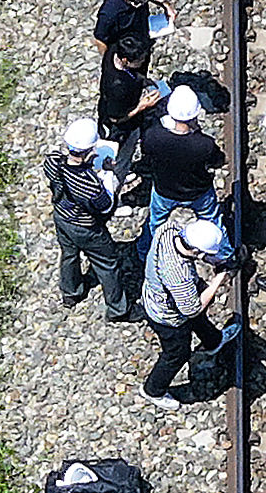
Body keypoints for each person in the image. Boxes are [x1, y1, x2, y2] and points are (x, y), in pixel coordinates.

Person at [139, 214, 237, 403]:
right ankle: (153, 390)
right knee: (177, 354)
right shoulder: (179, 275)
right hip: (167, 316)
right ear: (196, 251)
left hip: (153, 293)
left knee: (199, 322)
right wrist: (219, 278)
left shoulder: (168, 230)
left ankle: (214, 342)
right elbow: (192, 309)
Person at [44, 117, 134, 320]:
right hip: (86, 227)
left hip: (62, 216)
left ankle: (71, 293)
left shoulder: (52, 161)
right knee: (108, 263)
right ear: (89, 151)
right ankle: (118, 310)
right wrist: (108, 175)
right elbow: (105, 206)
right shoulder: (90, 184)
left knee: (69, 255)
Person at [124, 84, 226, 231]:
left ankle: (147, 251)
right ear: (196, 115)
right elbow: (220, 161)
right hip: (198, 192)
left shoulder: (153, 136)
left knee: (155, 224)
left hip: (164, 190)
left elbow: (147, 153)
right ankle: (224, 253)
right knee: (213, 223)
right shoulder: (204, 144)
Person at [93, 0, 172, 57]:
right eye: (138, 3)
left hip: (142, 30)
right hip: (128, 45)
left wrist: (166, 5)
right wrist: (108, 60)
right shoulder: (109, 13)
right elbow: (100, 39)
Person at [97, 32, 159, 141]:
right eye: (139, 60)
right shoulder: (118, 87)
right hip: (120, 116)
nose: (143, 61)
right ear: (125, 60)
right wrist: (142, 106)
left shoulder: (115, 49)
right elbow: (115, 119)